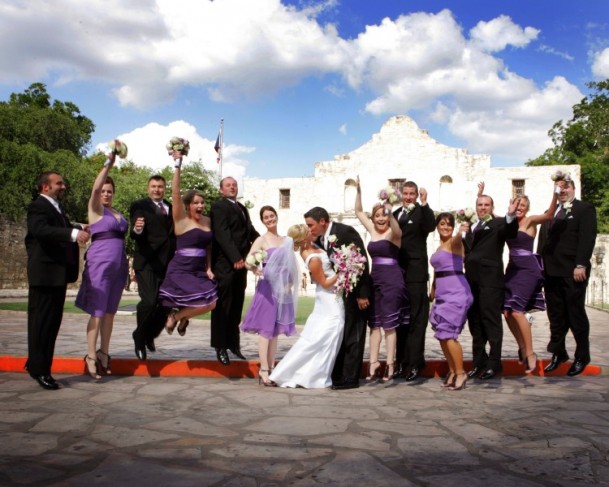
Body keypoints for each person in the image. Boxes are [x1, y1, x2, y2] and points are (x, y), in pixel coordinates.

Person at [25, 171, 89, 390]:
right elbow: (41, 230)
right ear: (45, 187)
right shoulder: (37, 206)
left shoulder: (55, 207)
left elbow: (59, 225)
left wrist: (79, 227)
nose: (63, 186)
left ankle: (36, 362)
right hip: (44, 276)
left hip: (56, 276)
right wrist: (73, 234)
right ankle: (40, 371)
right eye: (59, 183)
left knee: (50, 324)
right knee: (42, 324)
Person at [304, 206, 371, 390]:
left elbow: (362, 261)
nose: (309, 229)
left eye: (311, 225)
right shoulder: (321, 239)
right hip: (339, 293)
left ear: (322, 221)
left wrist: (362, 293)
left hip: (355, 292)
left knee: (354, 334)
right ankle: (339, 374)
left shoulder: (344, 231)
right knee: (344, 333)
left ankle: (351, 378)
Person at [75, 150, 128, 380]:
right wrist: (109, 163)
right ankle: (89, 356)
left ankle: (104, 353)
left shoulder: (116, 213)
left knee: (109, 313)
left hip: (119, 266)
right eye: (103, 191)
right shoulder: (96, 209)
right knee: (97, 312)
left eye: (109, 191)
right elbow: (95, 189)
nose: (105, 193)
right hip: (99, 263)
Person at [270, 224, 342, 388]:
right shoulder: (312, 257)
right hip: (328, 298)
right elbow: (324, 282)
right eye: (308, 231)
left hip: (331, 297)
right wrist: (343, 272)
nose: (311, 231)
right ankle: (304, 373)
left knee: (324, 335)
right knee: (327, 333)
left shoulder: (314, 248)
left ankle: (315, 372)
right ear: (303, 239)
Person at [538, 177, 597, 376]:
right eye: (559, 187)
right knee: (555, 315)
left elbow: (587, 237)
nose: (562, 190)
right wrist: (540, 268)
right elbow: (543, 241)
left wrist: (580, 264)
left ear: (573, 188)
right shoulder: (552, 212)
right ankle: (558, 353)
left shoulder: (584, 209)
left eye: (566, 186)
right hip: (551, 272)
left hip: (572, 271)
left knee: (575, 313)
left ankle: (582, 355)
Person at [354, 177, 408, 382]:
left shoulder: (393, 235)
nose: (380, 219)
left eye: (383, 216)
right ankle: (374, 362)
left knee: (389, 324)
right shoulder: (372, 231)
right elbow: (359, 211)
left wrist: (390, 209)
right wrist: (359, 190)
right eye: (377, 216)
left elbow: (398, 230)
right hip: (374, 279)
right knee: (374, 324)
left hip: (392, 279)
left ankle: (391, 365)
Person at [158, 150, 218, 335]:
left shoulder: (207, 221)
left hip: (199, 269)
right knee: (204, 302)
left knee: (211, 302)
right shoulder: (181, 220)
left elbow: (208, 246)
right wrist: (177, 165)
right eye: (196, 203)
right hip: (181, 268)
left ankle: (178, 317)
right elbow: (176, 193)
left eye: (202, 203)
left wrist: (208, 267)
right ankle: (180, 317)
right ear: (188, 206)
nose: (200, 206)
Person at [501, 184, 559, 374]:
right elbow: (490, 220)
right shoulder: (508, 222)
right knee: (507, 312)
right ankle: (522, 349)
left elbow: (549, 215)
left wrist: (555, 193)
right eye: (517, 203)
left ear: (527, 207)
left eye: (523, 204)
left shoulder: (531, 221)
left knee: (517, 311)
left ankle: (531, 352)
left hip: (528, 269)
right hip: (512, 269)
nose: (519, 207)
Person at [462, 190, 519, 380]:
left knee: (491, 322)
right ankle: (478, 362)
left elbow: (510, 232)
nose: (483, 207)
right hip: (471, 281)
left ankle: (494, 364)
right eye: (480, 204)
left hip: (490, 281)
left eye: (486, 204)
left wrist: (511, 215)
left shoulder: (498, 223)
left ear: (492, 207)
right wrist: (463, 234)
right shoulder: (470, 227)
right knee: (475, 323)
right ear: (476, 207)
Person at [240, 206, 299, 386]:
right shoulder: (261, 239)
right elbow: (247, 262)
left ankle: (272, 368)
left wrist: (289, 283)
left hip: (282, 289)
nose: (270, 219)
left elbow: (290, 264)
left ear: (276, 217)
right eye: (266, 217)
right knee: (266, 330)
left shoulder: (286, 240)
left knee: (274, 332)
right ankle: (263, 369)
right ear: (262, 220)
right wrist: (256, 269)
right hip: (267, 289)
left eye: (272, 216)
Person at [210, 177, 260, 365]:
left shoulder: (242, 208)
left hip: (242, 266)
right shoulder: (219, 207)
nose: (232, 187)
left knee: (237, 305)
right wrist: (235, 258)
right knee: (223, 306)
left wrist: (267, 243)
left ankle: (233, 344)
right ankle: (220, 346)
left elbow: (250, 232)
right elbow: (222, 235)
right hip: (226, 265)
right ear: (221, 190)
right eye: (228, 185)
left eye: (234, 185)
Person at [129, 174, 176, 360]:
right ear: (148, 188)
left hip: (167, 264)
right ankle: (139, 337)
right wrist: (138, 228)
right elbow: (136, 231)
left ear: (164, 188)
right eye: (154, 186)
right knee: (148, 302)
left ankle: (148, 335)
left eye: (160, 186)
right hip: (147, 262)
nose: (157, 189)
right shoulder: (139, 205)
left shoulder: (170, 207)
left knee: (163, 305)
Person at [393, 181, 435, 381]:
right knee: (401, 320)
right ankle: (401, 362)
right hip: (398, 274)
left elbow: (430, 226)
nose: (409, 197)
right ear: (401, 194)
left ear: (417, 195)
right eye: (406, 193)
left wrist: (425, 204)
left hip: (416, 275)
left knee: (417, 320)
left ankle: (416, 363)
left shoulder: (421, 212)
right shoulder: (394, 214)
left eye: (412, 194)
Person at [429, 212, 473, 391]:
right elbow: (438, 270)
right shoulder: (439, 247)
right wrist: (433, 290)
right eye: (442, 224)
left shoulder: (455, 242)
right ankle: (453, 371)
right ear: (437, 226)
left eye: (449, 224)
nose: (446, 227)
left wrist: (462, 230)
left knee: (448, 334)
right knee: (441, 335)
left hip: (456, 292)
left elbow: (457, 238)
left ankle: (461, 372)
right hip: (442, 293)